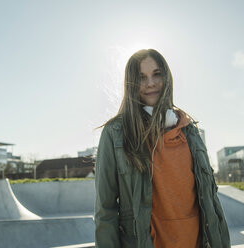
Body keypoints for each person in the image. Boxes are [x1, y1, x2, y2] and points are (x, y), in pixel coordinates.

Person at [95, 49, 230, 248]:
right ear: (131, 84)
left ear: (167, 77)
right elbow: (105, 211)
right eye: (141, 78)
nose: (151, 83)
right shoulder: (116, 133)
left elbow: (211, 201)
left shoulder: (189, 131)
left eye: (156, 74)